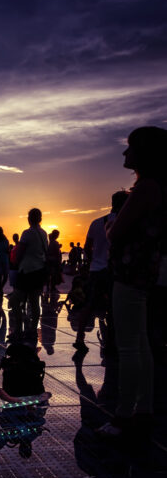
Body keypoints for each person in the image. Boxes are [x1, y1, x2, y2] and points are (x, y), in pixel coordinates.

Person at [98, 126, 167, 436]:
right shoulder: (157, 188)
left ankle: (124, 416)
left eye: (130, 148)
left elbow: (116, 233)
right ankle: (144, 409)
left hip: (130, 272)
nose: (125, 154)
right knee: (141, 343)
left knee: (128, 346)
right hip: (144, 272)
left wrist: (111, 228)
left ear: (145, 153)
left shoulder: (146, 189)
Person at [73, 191, 129, 352]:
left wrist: (91, 261)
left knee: (89, 305)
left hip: (96, 270)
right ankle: (112, 341)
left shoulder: (96, 223)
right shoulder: (125, 222)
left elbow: (87, 246)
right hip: (115, 272)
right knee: (114, 307)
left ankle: (79, 338)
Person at [9, 208, 48, 340]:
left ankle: (19, 329)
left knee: (15, 301)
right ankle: (32, 330)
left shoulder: (27, 233)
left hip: (26, 271)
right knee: (34, 302)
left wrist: (16, 263)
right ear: (40, 218)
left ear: (29, 218)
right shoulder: (44, 233)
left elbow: (20, 252)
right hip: (39, 271)